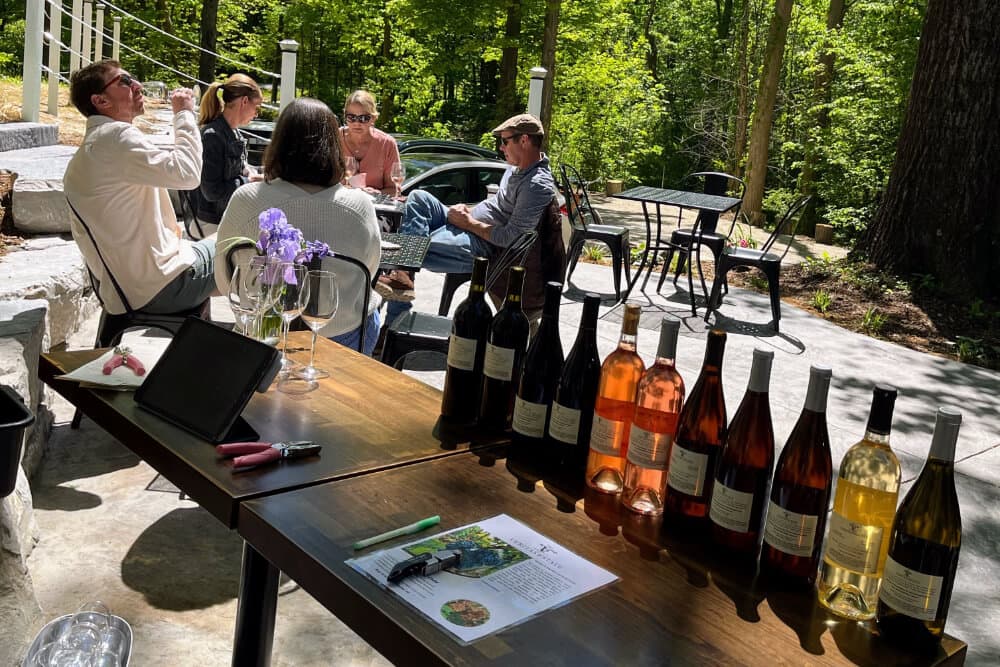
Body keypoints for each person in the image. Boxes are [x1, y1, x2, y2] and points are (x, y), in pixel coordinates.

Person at [215, 97, 383, 355]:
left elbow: (225, 275)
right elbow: (369, 272)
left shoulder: (247, 199)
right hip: (340, 337)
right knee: (375, 309)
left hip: (261, 335)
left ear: (278, 144)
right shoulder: (359, 206)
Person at [63, 60, 216, 315]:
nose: (137, 85)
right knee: (248, 240)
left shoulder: (95, 147)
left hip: (127, 291)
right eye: (124, 81)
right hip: (161, 288)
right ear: (101, 101)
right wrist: (184, 114)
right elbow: (188, 174)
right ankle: (269, 342)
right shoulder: (117, 137)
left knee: (227, 243)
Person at [381, 113, 557, 323]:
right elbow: (496, 206)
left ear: (525, 140)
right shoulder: (516, 169)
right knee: (418, 198)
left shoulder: (536, 185)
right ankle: (404, 275)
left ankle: (392, 321)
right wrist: (468, 210)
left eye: (504, 141)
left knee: (399, 249)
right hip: (467, 223)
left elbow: (513, 238)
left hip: (480, 243)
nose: (501, 147)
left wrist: (469, 223)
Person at [190, 74, 263, 230]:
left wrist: (264, 173)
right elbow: (212, 191)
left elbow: (240, 170)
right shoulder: (212, 136)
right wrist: (248, 181)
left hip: (227, 216)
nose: (256, 114)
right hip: (210, 223)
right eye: (257, 107)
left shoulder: (235, 134)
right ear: (244, 101)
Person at [338, 90, 401, 195]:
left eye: (363, 118)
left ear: (374, 118)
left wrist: (376, 194)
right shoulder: (334, 139)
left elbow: (394, 190)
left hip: (374, 208)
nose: (357, 123)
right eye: (351, 117)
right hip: (338, 205)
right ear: (345, 116)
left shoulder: (387, 144)